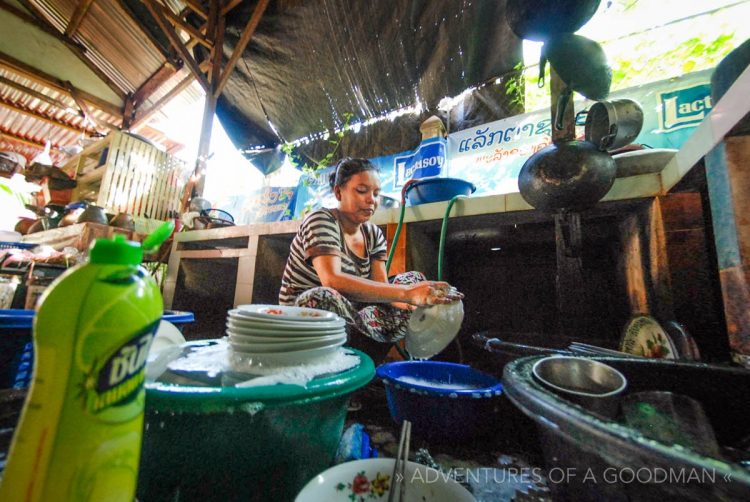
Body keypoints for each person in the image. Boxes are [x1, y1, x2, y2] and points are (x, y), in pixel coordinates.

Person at [279, 157, 462, 358]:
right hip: (305, 319)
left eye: (376, 193)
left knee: (413, 280)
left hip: (352, 317)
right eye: (362, 191)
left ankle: (363, 362)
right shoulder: (321, 220)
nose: (371, 200)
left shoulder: (372, 234)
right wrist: (406, 293)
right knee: (323, 297)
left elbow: (382, 287)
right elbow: (332, 281)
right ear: (339, 192)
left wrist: (419, 299)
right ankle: (334, 364)